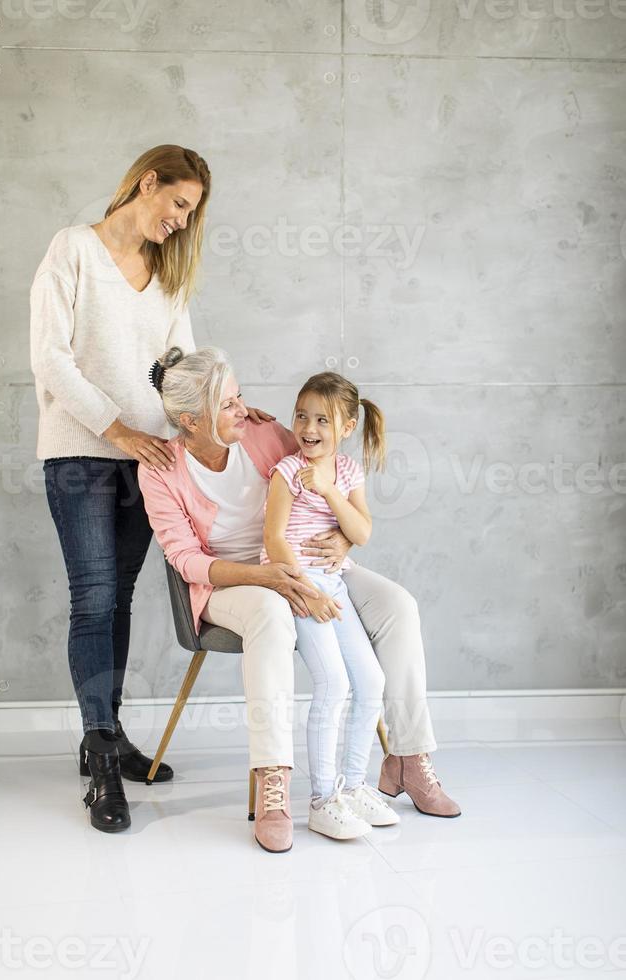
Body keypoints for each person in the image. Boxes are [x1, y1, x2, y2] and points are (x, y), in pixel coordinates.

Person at [29, 145, 274, 835]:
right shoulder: (73, 250)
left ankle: (101, 733)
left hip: (150, 460)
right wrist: (117, 429)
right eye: (179, 205)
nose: (180, 222)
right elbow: (49, 357)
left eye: (191, 213)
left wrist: (227, 404)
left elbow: (185, 373)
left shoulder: (169, 277)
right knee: (95, 596)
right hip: (82, 453)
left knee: (120, 599)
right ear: (148, 183)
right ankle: (104, 759)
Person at [139, 346, 461, 855]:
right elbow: (186, 561)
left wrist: (346, 541)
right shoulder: (160, 470)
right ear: (189, 420)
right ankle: (275, 782)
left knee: (398, 605)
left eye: (239, 396)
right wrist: (270, 576)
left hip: (311, 566)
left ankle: (407, 757)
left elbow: (324, 468)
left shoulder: (264, 434)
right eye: (227, 405)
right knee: (271, 610)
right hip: (229, 584)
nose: (243, 409)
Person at [261, 372, 400, 840]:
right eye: (301, 415)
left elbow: (361, 533)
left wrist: (328, 489)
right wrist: (305, 588)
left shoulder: (345, 473)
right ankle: (322, 799)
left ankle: (355, 785)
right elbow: (274, 539)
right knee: (334, 683)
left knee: (372, 680)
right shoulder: (285, 472)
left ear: (347, 426)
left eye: (323, 419)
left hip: (334, 585)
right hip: (297, 584)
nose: (308, 427)